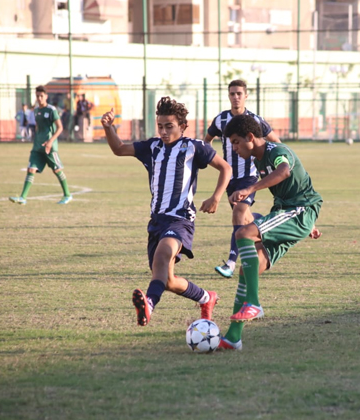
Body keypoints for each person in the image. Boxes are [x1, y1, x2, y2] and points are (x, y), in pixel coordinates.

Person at [101, 97, 232, 327]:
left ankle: (149, 305)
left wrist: (216, 197)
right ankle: (206, 297)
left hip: (181, 220)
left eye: (169, 126)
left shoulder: (194, 147)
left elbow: (226, 168)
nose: (163, 131)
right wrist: (108, 128)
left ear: (182, 126)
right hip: (156, 222)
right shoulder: (152, 147)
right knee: (167, 280)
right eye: (160, 126)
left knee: (163, 257)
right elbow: (119, 149)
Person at [217, 114, 323, 351]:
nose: (233, 148)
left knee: (243, 234)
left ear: (250, 137)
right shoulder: (259, 159)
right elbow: (298, 182)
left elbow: (285, 171)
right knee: (248, 268)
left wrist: (250, 188)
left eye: (235, 141)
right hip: (293, 213)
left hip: (298, 210)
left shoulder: (276, 152)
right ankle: (233, 338)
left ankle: (253, 303)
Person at [204, 79, 281, 279]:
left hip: (250, 176)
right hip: (230, 178)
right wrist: (214, 160)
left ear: (246, 96)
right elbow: (206, 142)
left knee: (238, 211)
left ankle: (230, 262)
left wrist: (272, 162)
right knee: (245, 219)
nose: (236, 97)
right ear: (228, 96)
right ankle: (261, 222)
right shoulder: (220, 120)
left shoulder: (255, 120)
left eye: (239, 93)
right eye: (232, 93)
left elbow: (276, 142)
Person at [9, 85, 72, 205]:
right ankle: (23, 197)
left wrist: (50, 141)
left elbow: (60, 128)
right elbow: (39, 128)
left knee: (57, 170)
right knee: (31, 169)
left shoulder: (51, 110)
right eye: (37, 96)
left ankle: (67, 195)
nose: (39, 98)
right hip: (37, 147)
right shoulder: (36, 110)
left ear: (46, 96)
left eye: (41, 96)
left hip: (50, 147)